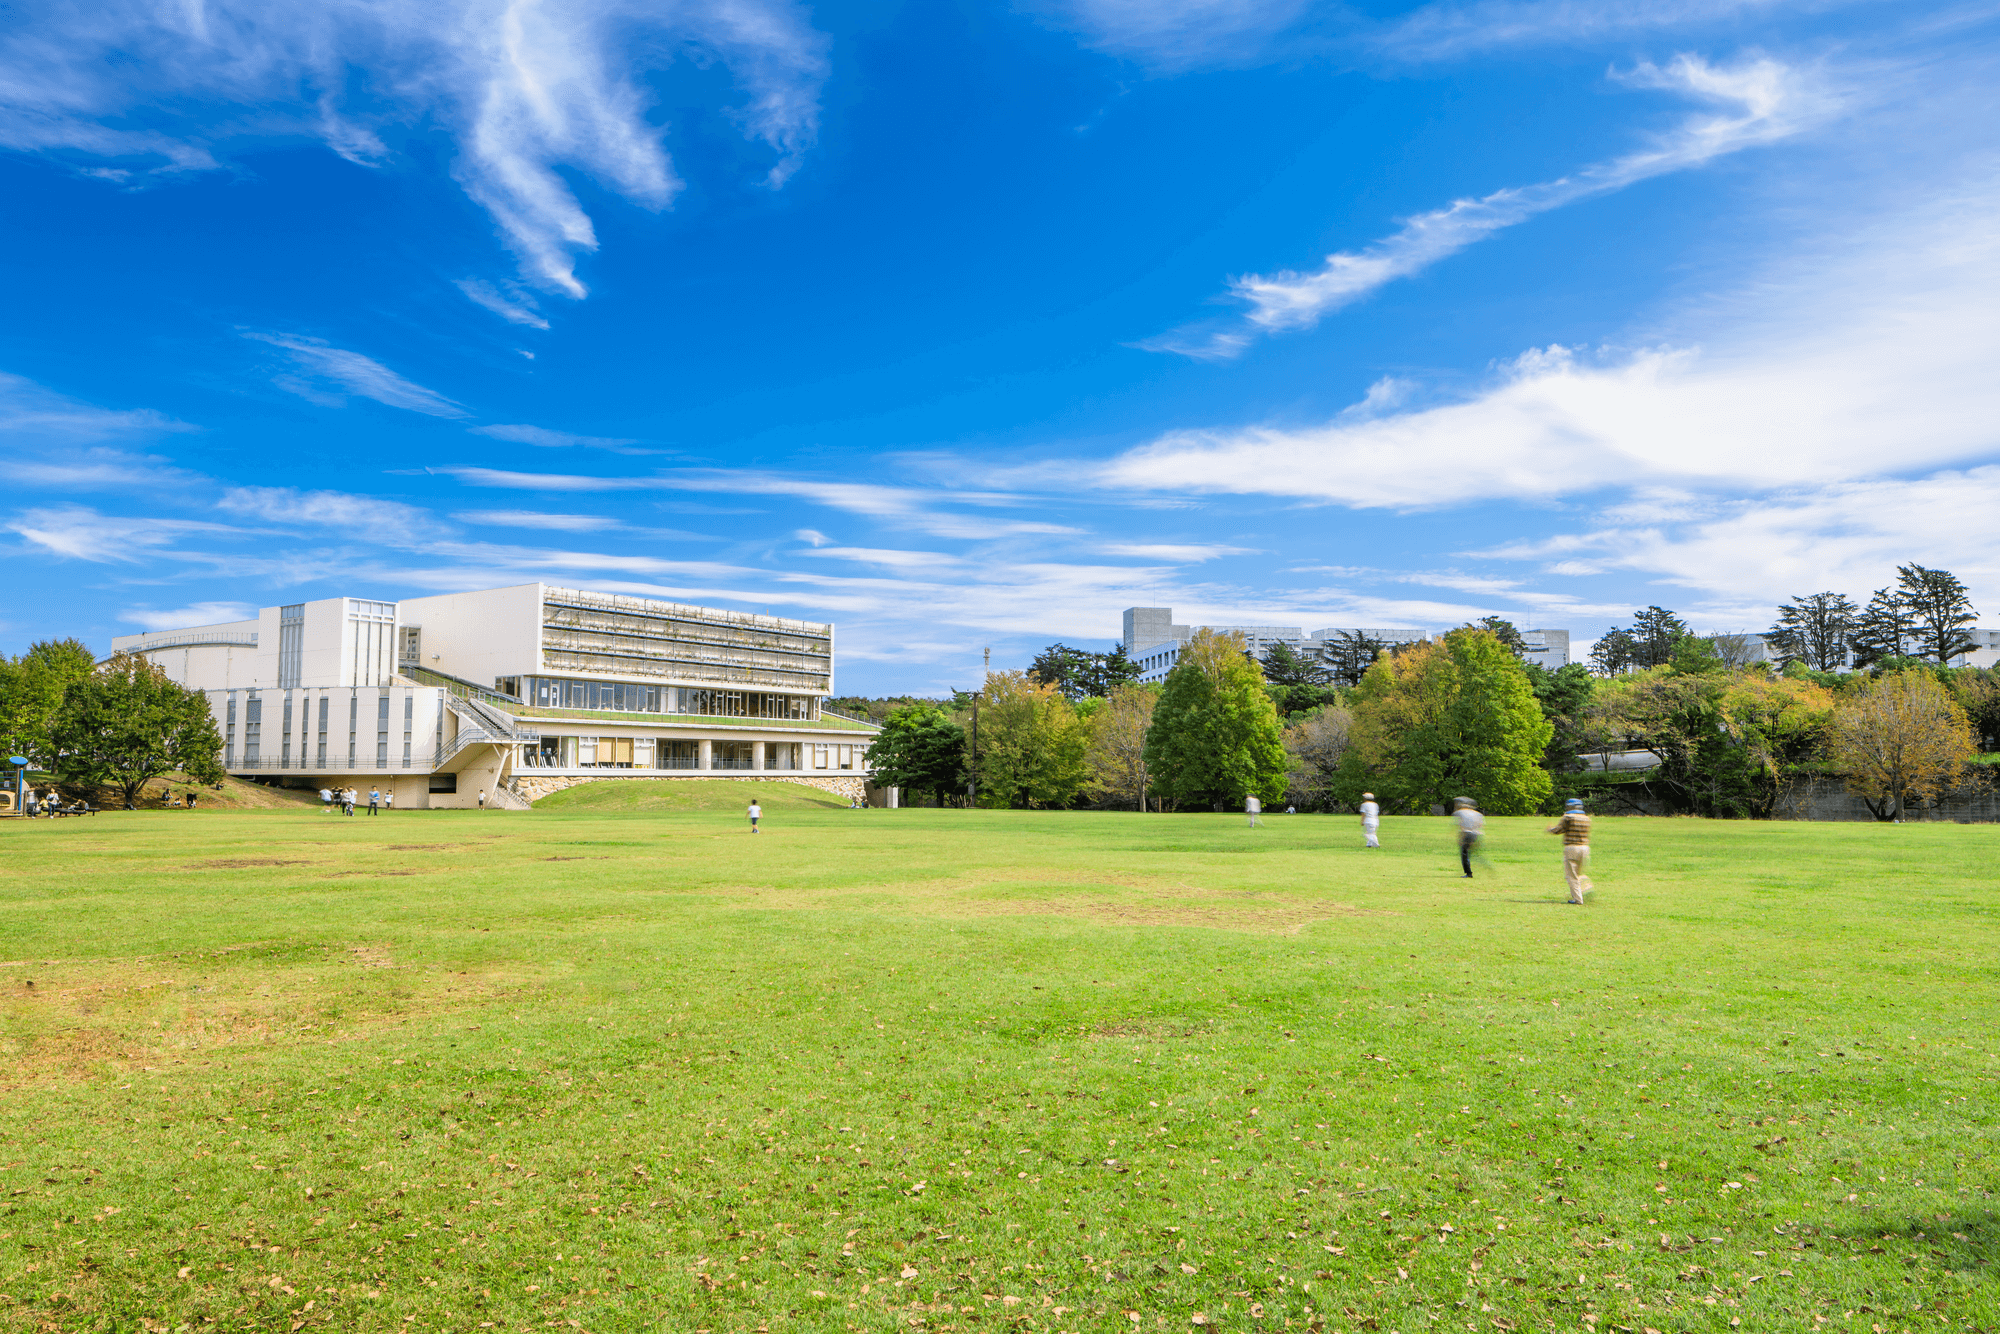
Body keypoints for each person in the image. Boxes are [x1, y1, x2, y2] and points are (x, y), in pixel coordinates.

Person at [1546, 798, 1593, 903]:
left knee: (1571, 875)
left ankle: (1577, 899)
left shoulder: (1568, 817)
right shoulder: (1586, 818)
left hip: (1572, 848)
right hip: (1585, 848)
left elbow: (1558, 830)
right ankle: (1583, 890)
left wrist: (1549, 829)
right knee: (1578, 873)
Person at [1453, 796, 1484, 878]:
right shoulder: (1477, 814)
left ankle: (1469, 873)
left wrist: (1461, 837)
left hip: (1467, 834)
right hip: (1476, 834)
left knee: (1464, 854)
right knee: (1470, 853)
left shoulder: (1459, 812)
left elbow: (1460, 825)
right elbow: (1480, 825)